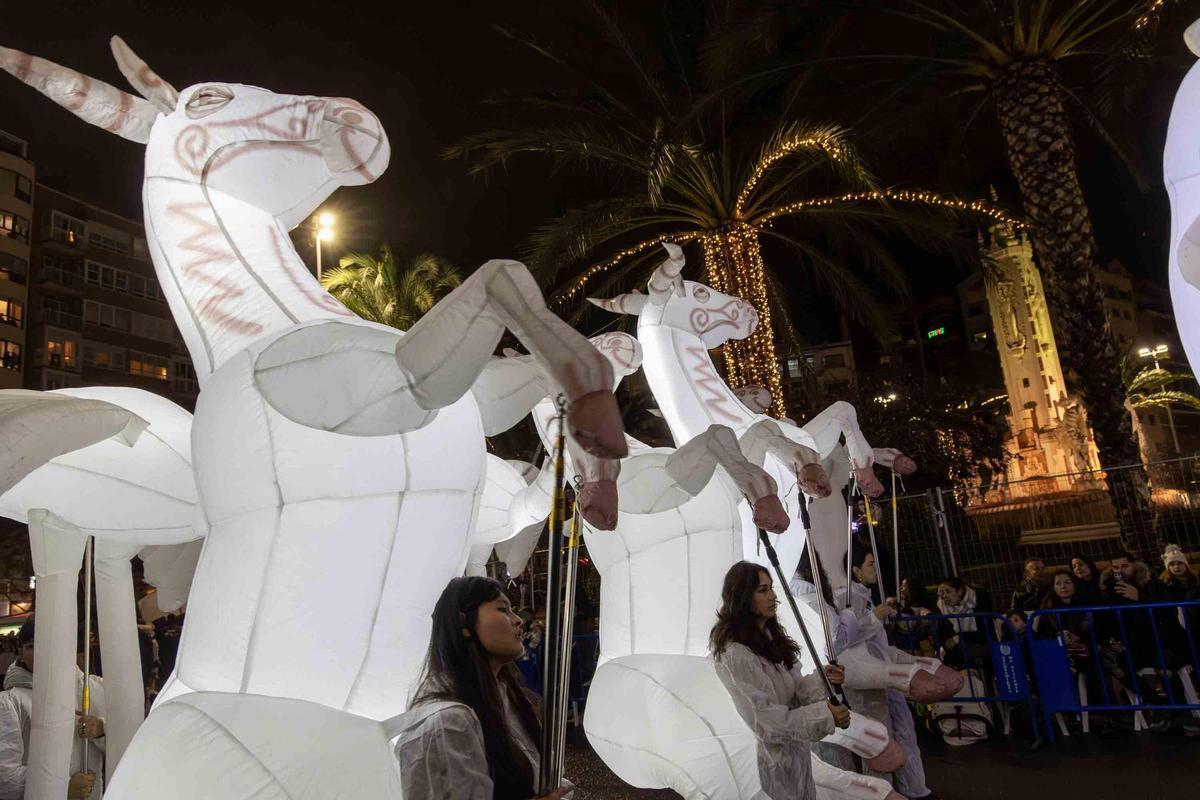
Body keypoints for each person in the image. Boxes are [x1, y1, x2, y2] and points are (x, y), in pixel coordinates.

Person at [393, 577, 569, 800]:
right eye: (503, 609)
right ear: (464, 624)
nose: (518, 621)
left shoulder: (505, 697)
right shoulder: (448, 723)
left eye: (513, 610)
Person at [711, 561, 849, 800]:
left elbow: (796, 690)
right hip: (768, 769)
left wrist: (824, 678)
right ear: (743, 597)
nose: (772, 596)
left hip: (796, 759)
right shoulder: (735, 654)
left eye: (771, 588)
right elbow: (766, 722)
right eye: (762, 590)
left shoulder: (770, 638)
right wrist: (825, 716)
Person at [845, 548, 940, 800]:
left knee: (904, 730)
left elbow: (880, 643)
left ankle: (915, 788)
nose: (874, 569)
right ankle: (882, 793)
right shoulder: (848, 598)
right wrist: (874, 618)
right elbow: (847, 638)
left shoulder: (865, 596)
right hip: (868, 678)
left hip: (886, 672)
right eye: (869, 564)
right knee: (879, 739)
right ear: (855, 570)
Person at [0, 618, 105, 800]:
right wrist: (60, 789)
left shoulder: (92, 688)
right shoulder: (10, 701)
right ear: (21, 652)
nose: (40, 652)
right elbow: (6, 776)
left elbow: (127, 743)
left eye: (48, 644)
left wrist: (101, 730)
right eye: (31, 646)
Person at [935, 577, 992, 670]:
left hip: (980, 645)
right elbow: (941, 634)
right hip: (956, 653)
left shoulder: (979, 600)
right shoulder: (942, 607)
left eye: (947, 591)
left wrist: (958, 639)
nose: (943, 596)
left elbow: (984, 630)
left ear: (960, 591)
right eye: (942, 592)